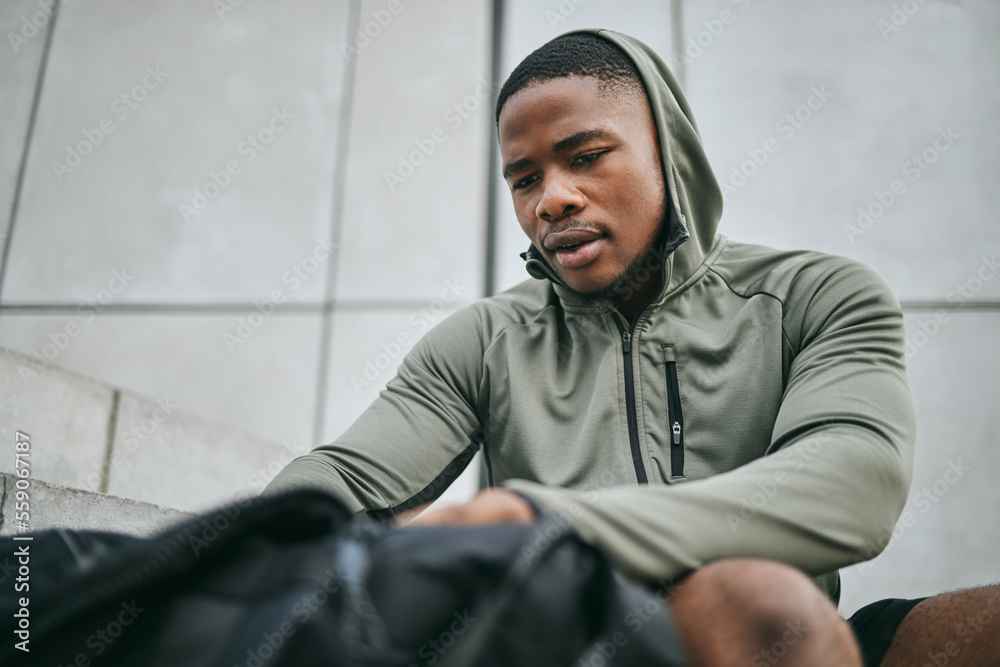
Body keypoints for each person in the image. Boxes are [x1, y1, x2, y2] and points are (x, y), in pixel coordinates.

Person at [266, 29, 999, 666]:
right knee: (755, 596)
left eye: (584, 156)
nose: (550, 198)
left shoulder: (818, 295)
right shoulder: (482, 342)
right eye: (524, 179)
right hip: (571, 647)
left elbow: (856, 478)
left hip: (783, 638)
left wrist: (550, 526)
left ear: (668, 153)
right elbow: (335, 482)